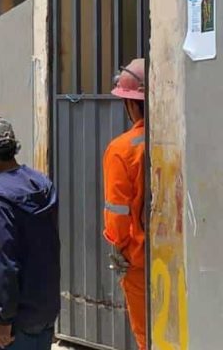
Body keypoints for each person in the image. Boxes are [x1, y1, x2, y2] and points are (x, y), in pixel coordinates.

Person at [0, 116, 60, 350]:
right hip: (43, 308)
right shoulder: (41, 184)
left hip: (14, 323)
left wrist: (2, 319)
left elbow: (3, 265)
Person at [103, 58, 147, 350]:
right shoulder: (176, 138)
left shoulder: (121, 149)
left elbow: (117, 212)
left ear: (130, 104)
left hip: (138, 258)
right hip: (176, 254)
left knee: (147, 336)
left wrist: (119, 247)